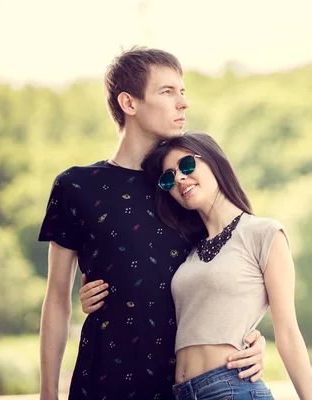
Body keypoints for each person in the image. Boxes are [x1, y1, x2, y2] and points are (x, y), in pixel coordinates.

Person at [38, 47, 266, 400]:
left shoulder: (187, 183)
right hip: (104, 379)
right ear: (129, 103)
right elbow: (56, 299)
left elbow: (237, 268)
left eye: (183, 92)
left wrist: (252, 338)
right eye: (167, 91)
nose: (183, 103)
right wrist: (47, 393)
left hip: (191, 387)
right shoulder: (75, 187)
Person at [141, 131, 312, 400]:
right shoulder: (188, 251)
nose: (178, 178)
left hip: (232, 388)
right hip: (181, 393)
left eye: (186, 165)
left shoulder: (264, 233)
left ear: (213, 161)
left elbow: (289, 333)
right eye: (168, 178)